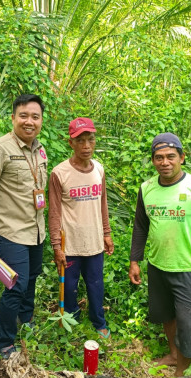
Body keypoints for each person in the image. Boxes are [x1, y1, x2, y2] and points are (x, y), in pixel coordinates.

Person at [129, 132, 191, 376]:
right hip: (158, 265)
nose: (164, 162)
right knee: (166, 314)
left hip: (189, 267)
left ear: (181, 157)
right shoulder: (146, 189)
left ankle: (181, 371)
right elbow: (140, 226)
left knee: (189, 322)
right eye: (158, 157)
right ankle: (173, 354)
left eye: (170, 156)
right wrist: (134, 260)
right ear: (153, 160)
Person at [0, 94, 47, 359]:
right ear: (13, 118)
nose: (30, 121)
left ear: (41, 121)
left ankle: (25, 320)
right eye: (24, 116)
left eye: (35, 117)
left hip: (35, 229)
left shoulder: (39, 149)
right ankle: (3, 343)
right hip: (10, 230)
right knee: (17, 285)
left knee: (32, 278)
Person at [48, 117, 114, 338]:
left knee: (96, 284)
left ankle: (98, 321)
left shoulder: (99, 170)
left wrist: (107, 233)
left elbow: (103, 204)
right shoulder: (59, 173)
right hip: (71, 243)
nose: (86, 146)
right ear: (71, 143)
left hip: (94, 240)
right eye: (81, 141)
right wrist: (57, 247)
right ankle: (71, 321)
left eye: (91, 140)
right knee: (69, 286)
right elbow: (54, 212)